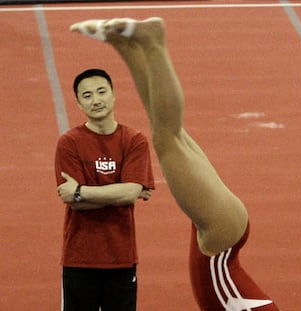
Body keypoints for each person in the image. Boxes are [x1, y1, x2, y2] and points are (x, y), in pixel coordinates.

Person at [70, 17, 279, 311]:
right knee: (167, 138)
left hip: (223, 236)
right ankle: (153, 42)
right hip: (219, 238)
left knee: (169, 132)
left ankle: (125, 45)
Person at [55, 68, 155, 311]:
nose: (96, 100)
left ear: (113, 95)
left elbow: (130, 193)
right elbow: (74, 202)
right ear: (78, 103)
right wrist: (121, 192)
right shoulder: (69, 142)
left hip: (121, 257)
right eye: (87, 95)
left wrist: (81, 190)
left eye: (101, 92)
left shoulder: (134, 140)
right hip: (79, 258)